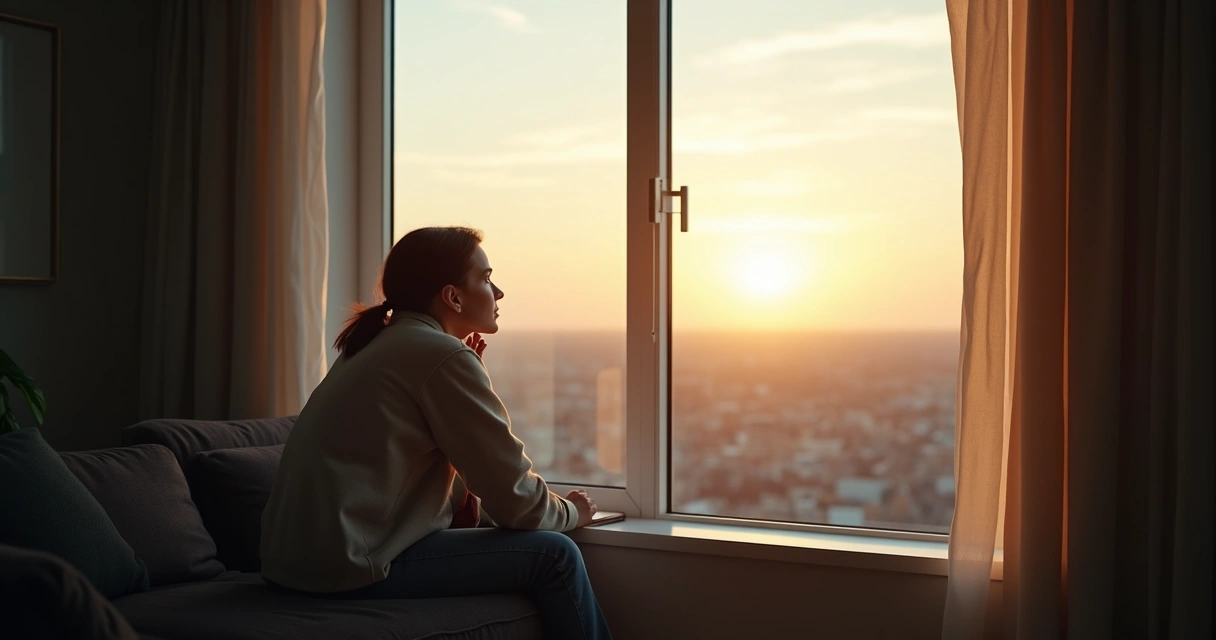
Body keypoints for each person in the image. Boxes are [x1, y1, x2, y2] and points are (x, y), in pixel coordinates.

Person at [260, 226, 613, 639]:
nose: (498, 292)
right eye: (486, 278)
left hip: (289, 566)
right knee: (556, 553)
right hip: (345, 568)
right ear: (453, 297)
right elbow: (515, 501)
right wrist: (572, 512)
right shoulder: (439, 355)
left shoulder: (374, 345)